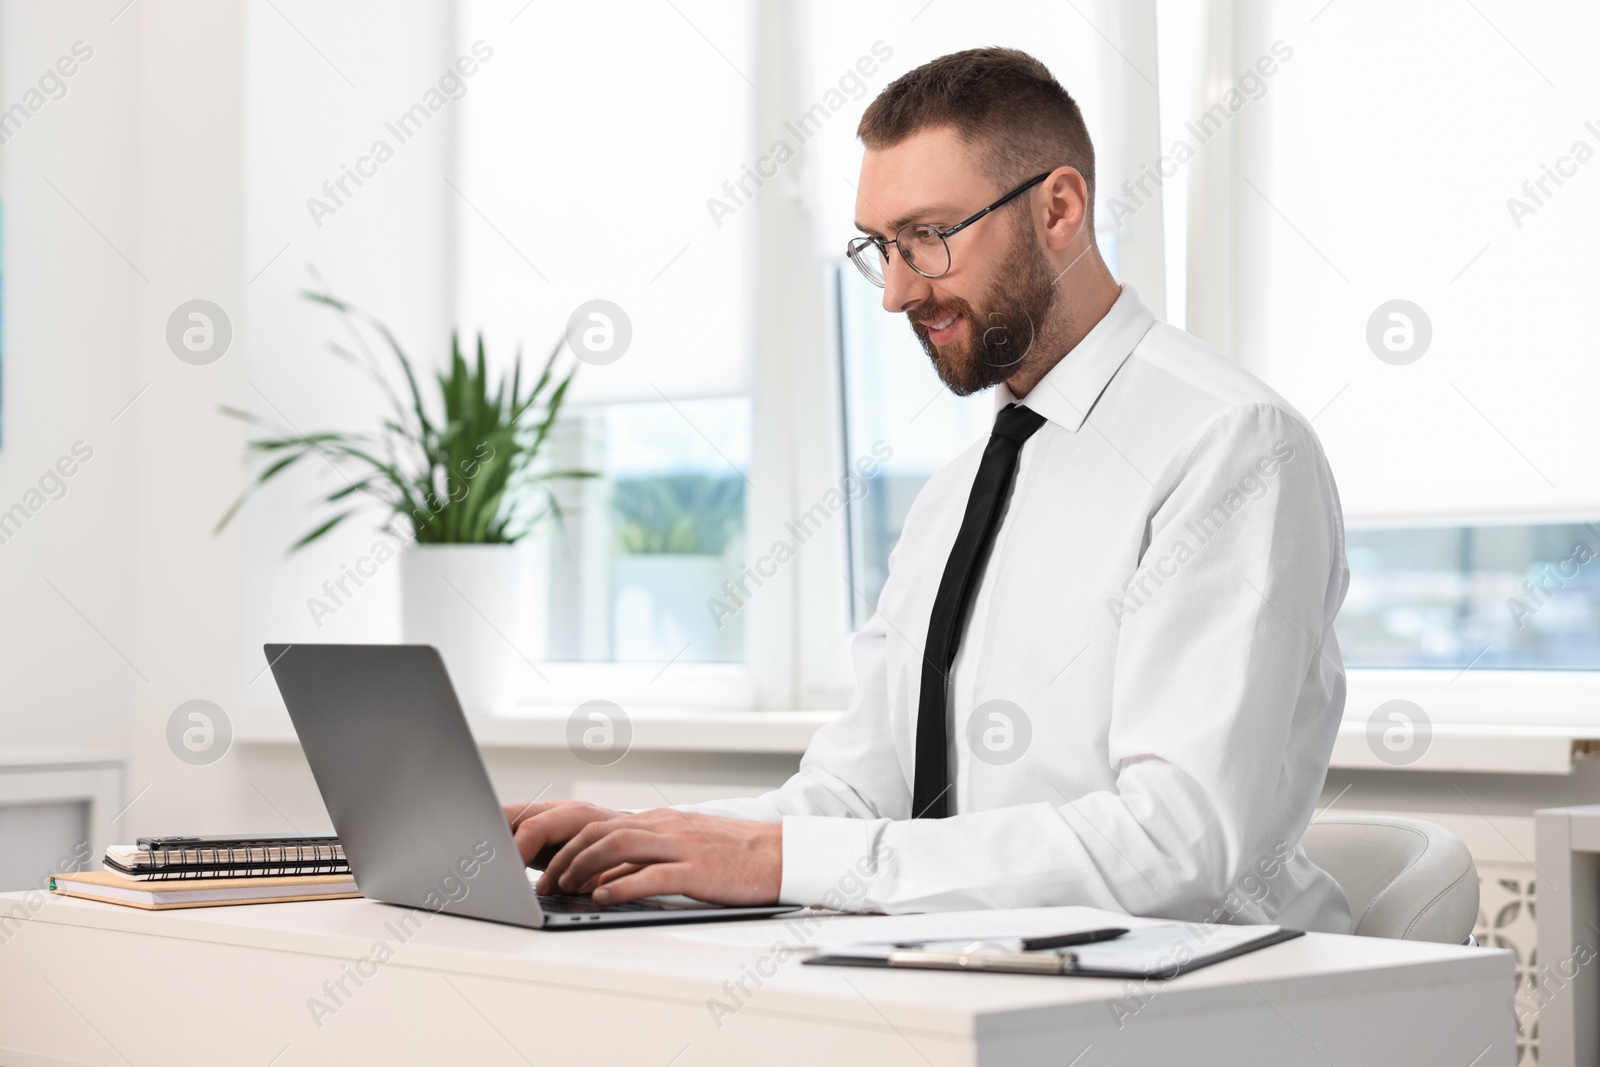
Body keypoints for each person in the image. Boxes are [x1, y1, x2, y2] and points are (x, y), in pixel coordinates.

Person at [505, 47, 1352, 933]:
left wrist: (770, 859)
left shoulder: (1230, 446)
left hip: (1204, 1000)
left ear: (1060, 209)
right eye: (881, 248)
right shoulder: (954, 494)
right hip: (972, 982)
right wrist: (647, 837)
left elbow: (1175, 848)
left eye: (929, 237)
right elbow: (860, 792)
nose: (898, 291)